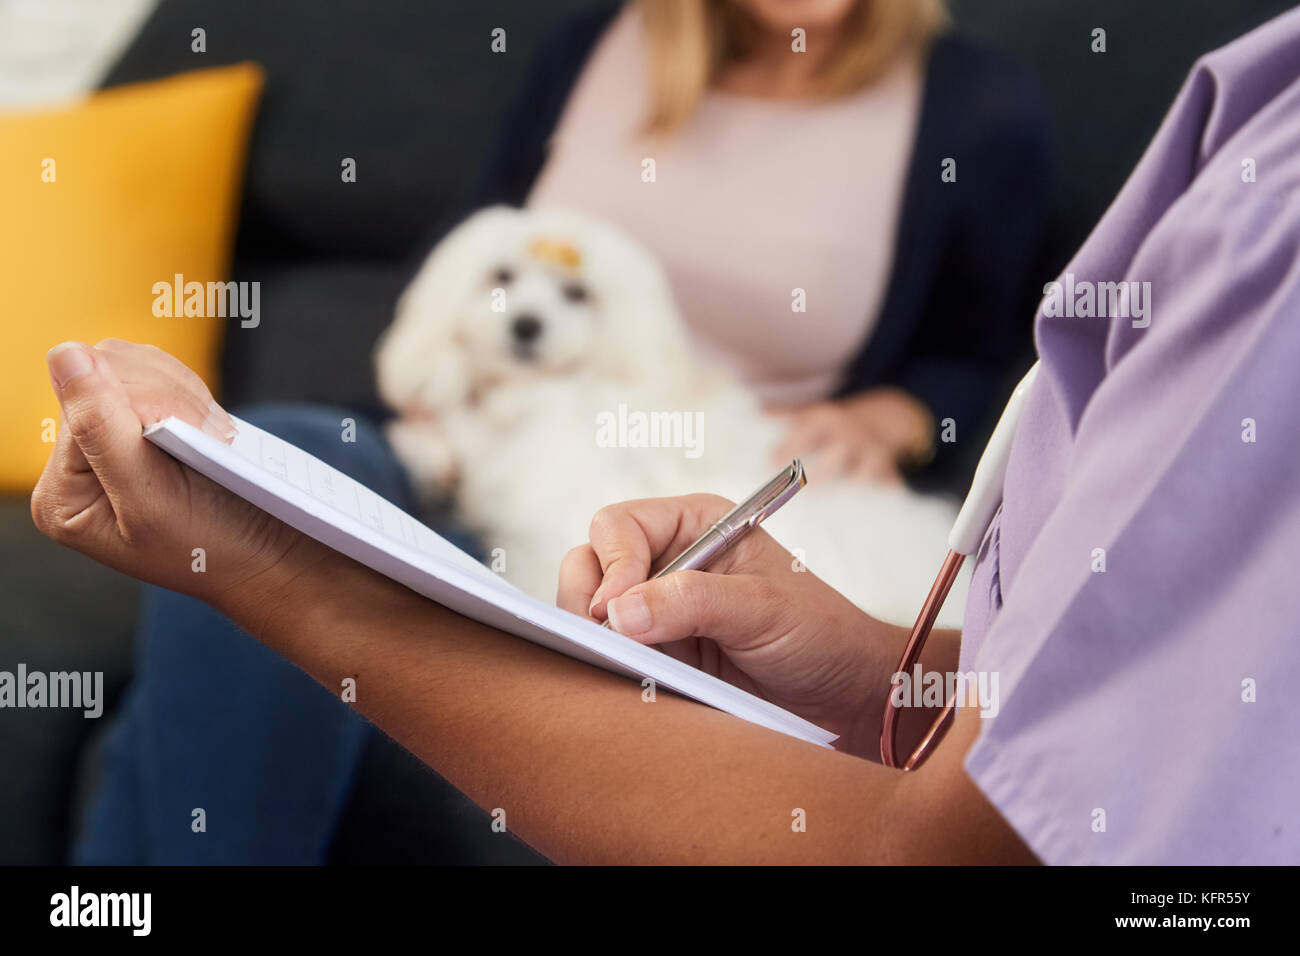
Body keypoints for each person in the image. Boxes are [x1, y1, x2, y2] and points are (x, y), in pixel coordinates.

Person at [36, 5, 1300, 864]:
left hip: (727, 450)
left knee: (251, 547)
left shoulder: (983, 105)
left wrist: (892, 412)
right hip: (498, 434)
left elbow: (988, 358)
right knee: (286, 451)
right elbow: (472, 244)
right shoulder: (601, 39)